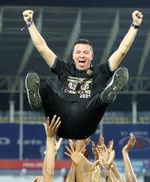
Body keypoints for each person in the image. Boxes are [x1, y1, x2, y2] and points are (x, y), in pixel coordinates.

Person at [22, 9, 143, 139]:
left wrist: (135, 25)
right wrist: (30, 23)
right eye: (78, 52)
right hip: (60, 122)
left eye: (86, 52)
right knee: (42, 86)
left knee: (99, 100)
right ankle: (36, 99)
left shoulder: (101, 72)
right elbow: (42, 48)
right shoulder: (64, 69)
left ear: (92, 56)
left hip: (86, 122)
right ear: (73, 56)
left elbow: (122, 51)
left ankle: (109, 93)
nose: (82, 55)